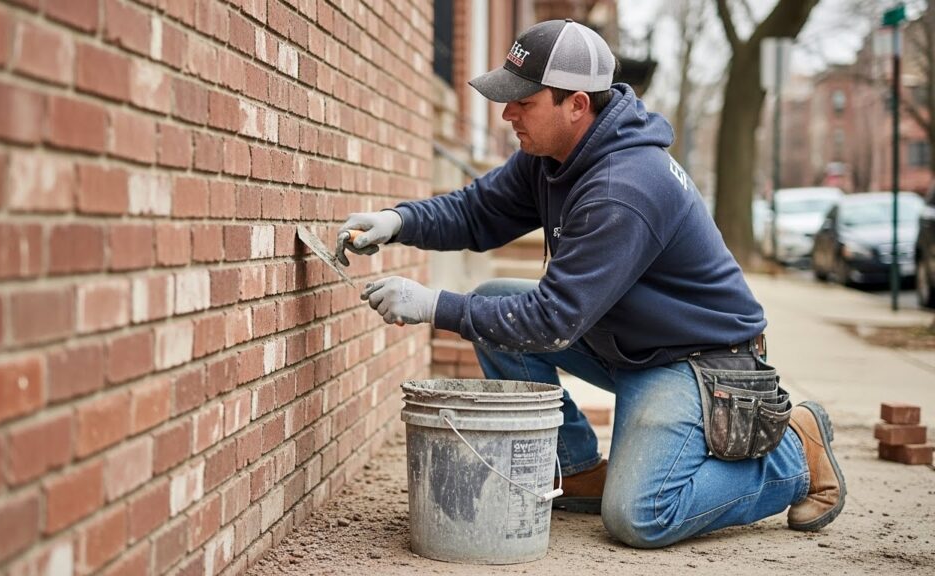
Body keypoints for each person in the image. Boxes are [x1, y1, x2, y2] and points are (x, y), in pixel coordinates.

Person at [336, 19, 845, 548]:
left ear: (576, 105)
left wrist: (433, 304)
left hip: (697, 362)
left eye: (523, 101)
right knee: (492, 306)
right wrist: (397, 221)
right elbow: (479, 210)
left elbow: (551, 321)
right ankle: (575, 465)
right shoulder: (554, 155)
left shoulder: (622, 188)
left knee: (640, 516)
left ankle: (795, 453)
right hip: (626, 339)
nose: (507, 112)